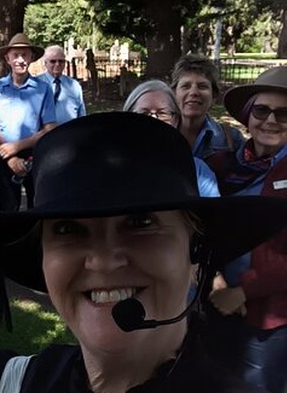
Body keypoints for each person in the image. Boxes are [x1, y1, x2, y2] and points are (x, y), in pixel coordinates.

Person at [0, 112, 287, 393]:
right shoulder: (4, 383)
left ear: (196, 251)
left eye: (140, 223)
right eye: (67, 229)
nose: (103, 260)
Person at [205, 66, 287, 392]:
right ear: (247, 115)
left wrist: (242, 291)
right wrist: (214, 278)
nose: (270, 120)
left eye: (284, 114)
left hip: (270, 316)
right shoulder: (223, 165)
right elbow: (202, 225)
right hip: (214, 303)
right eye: (262, 110)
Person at [0, 33, 56, 211]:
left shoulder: (43, 89)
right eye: (15, 55)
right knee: (7, 208)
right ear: (8, 58)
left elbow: (50, 128)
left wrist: (18, 146)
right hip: (3, 153)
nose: (20, 60)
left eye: (24, 55)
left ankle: (34, 239)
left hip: (34, 155)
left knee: (37, 206)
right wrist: (11, 156)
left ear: (31, 58)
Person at [123, 80, 220, 197]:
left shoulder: (198, 172)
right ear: (128, 118)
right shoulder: (108, 167)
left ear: (176, 120)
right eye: (144, 113)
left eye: (163, 113)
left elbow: (211, 213)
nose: (154, 120)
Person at [171, 55, 243, 159]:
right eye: (186, 86)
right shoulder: (159, 136)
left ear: (214, 95)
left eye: (202, 86)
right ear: (174, 93)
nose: (193, 92)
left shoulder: (231, 140)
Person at [37, 45, 86, 125]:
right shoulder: (36, 84)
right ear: (45, 63)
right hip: (44, 134)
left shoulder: (74, 85)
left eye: (61, 61)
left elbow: (81, 115)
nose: (57, 64)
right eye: (53, 61)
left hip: (69, 133)